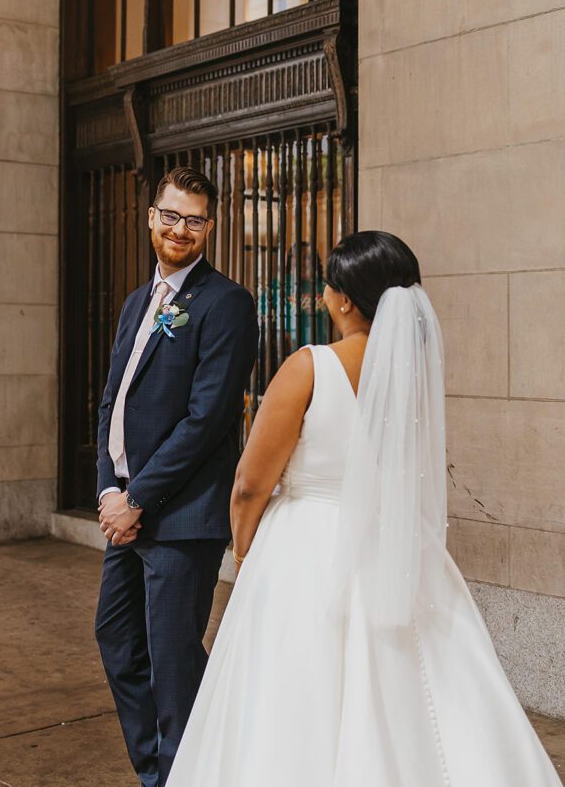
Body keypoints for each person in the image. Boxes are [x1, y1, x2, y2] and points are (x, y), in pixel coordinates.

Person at [167, 231, 561, 786]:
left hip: (302, 545)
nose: (323, 295)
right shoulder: (411, 378)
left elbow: (250, 485)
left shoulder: (308, 367)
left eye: (328, 286)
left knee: (291, 700)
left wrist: (248, 552)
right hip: (391, 546)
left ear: (346, 299)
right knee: (419, 687)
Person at [94, 166, 258, 787]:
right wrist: (109, 490)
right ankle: (158, 773)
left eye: (194, 220)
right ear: (150, 217)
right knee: (117, 643)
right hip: (126, 512)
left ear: (210, 228)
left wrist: (138, 497)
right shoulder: (139, 302)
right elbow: (111, 401)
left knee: (175, 666)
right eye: (170, 215)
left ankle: (189, 775)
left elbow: (207, 420)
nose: (180, 229)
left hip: (180, 520)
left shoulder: (226, 304)